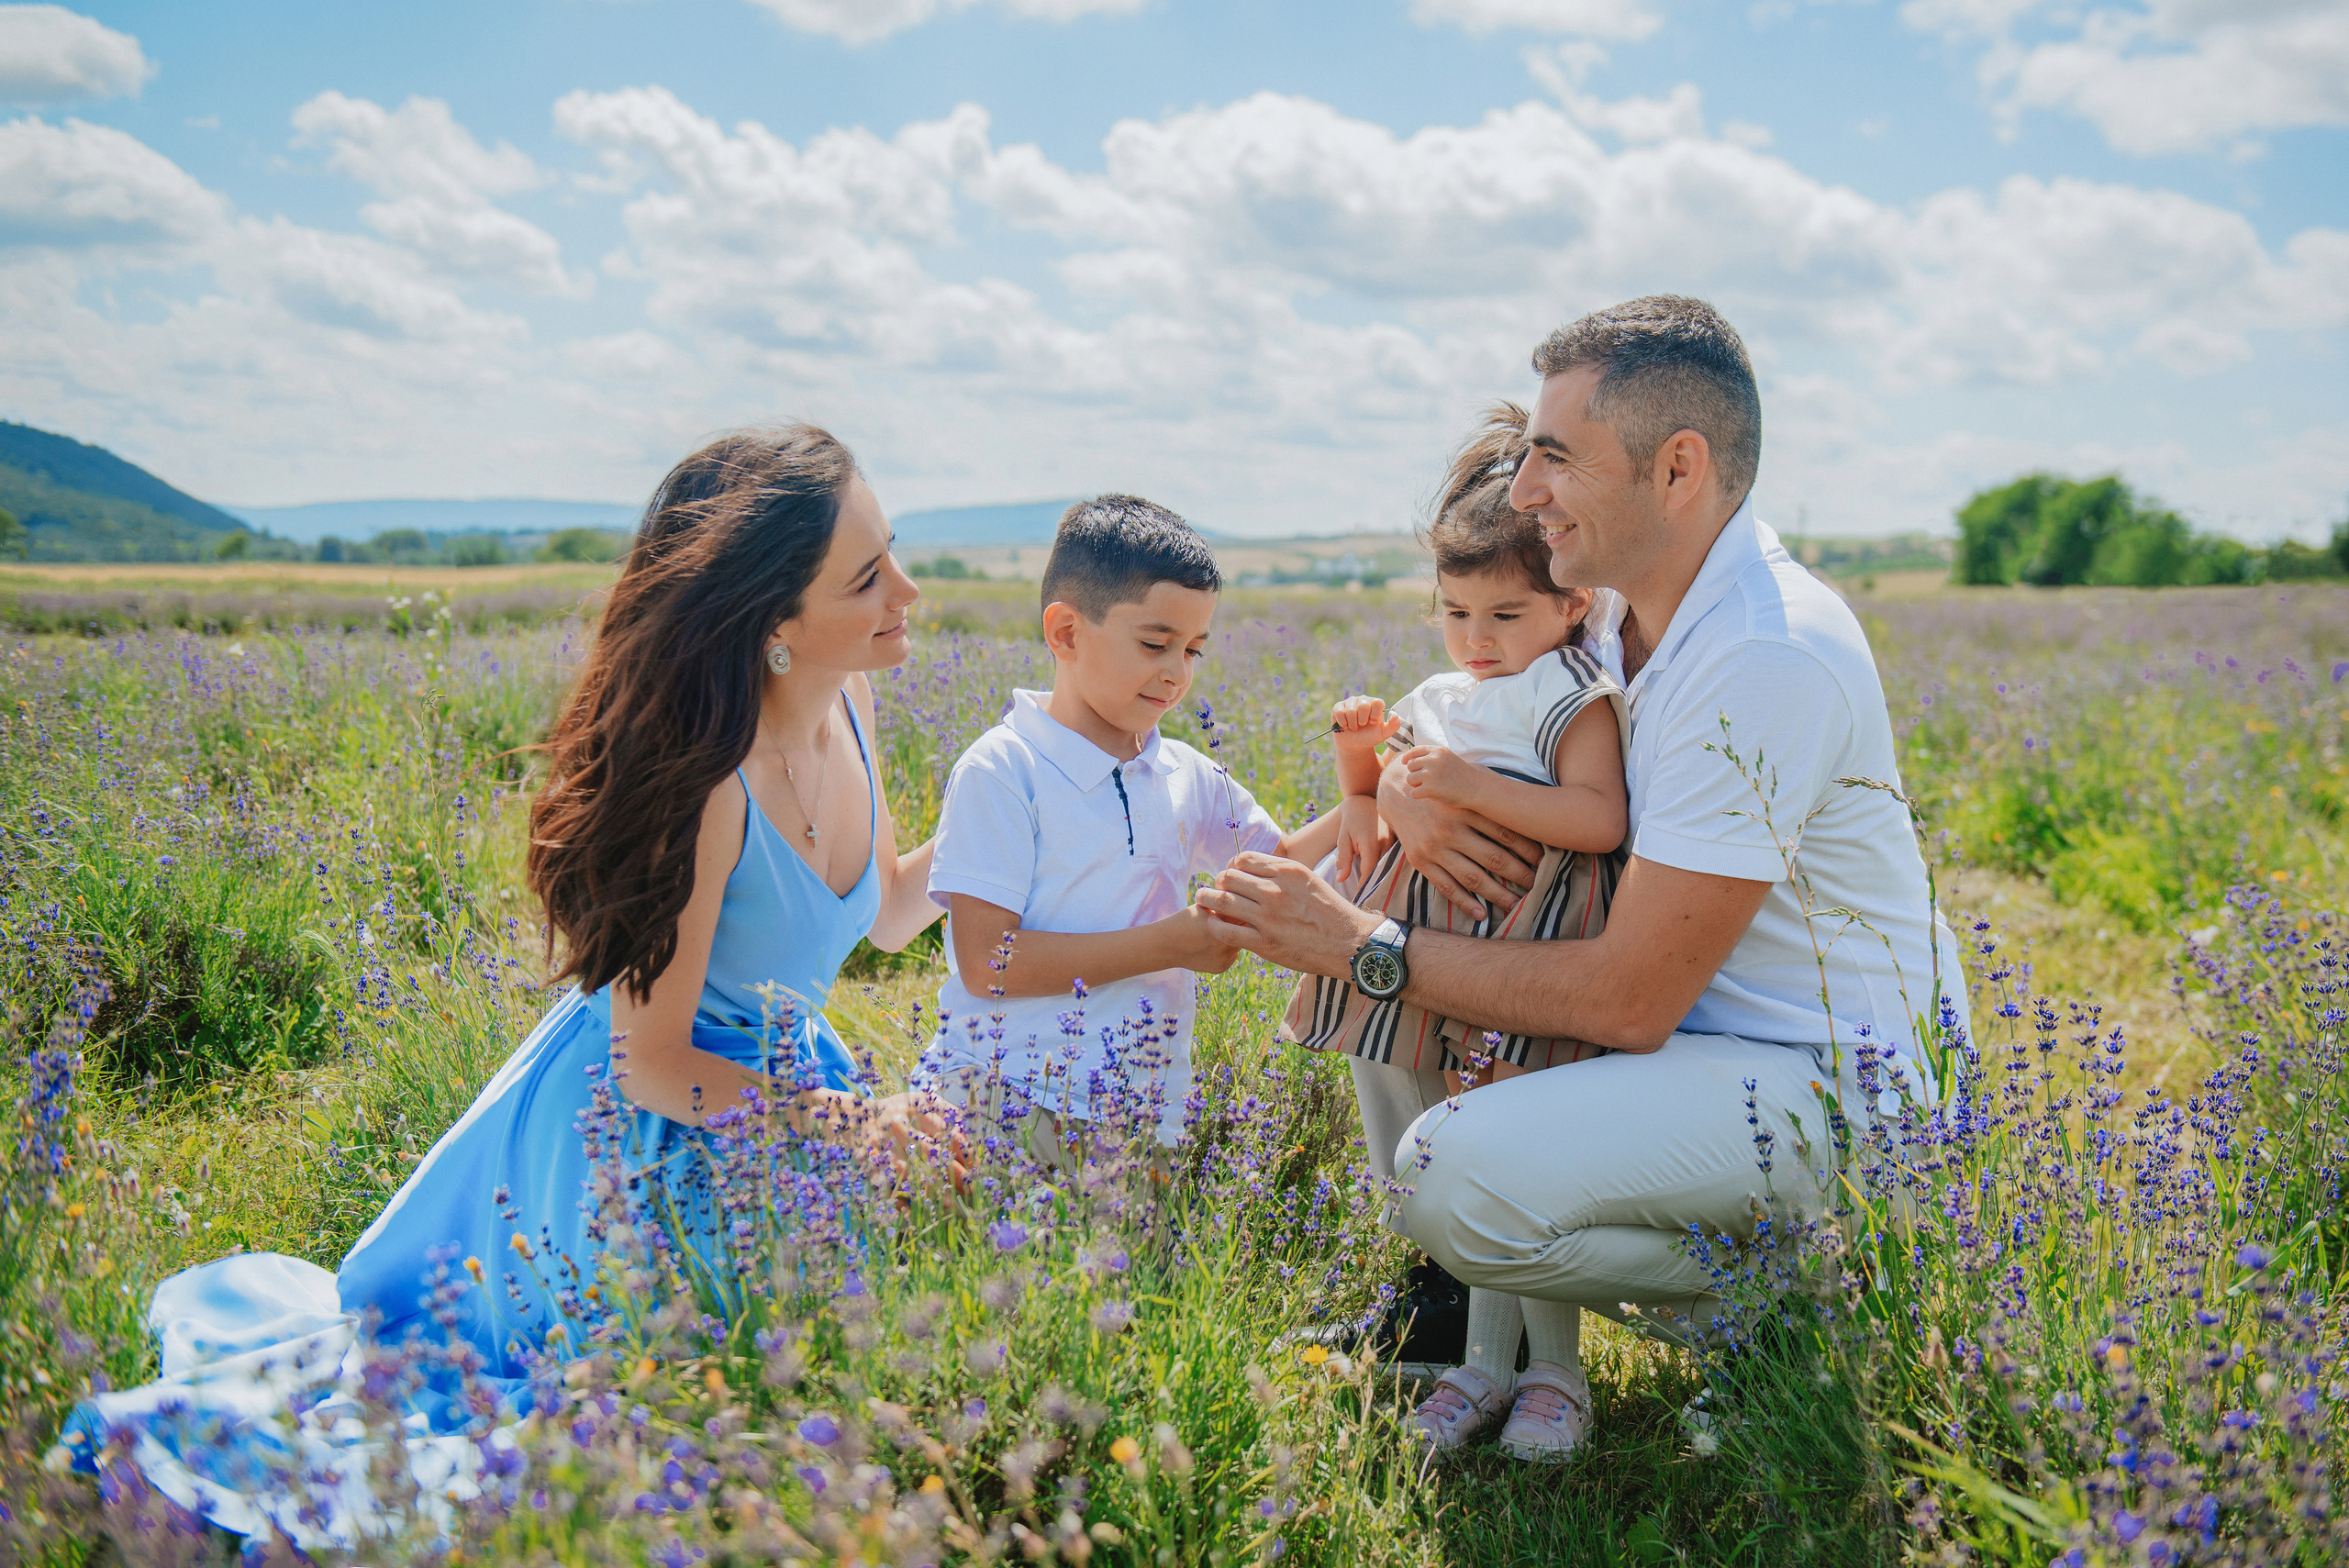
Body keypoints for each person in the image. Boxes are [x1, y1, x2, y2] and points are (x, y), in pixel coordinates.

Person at [71, 424, 956, 1539]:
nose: (908, 591)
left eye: (893, 552)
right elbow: (651, 1060)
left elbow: (881, 911)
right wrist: (848, 1122)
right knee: (643, 1418)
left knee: (789, 1385)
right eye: (867, 577)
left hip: (779, 1096)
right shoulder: (706, 786)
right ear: (772, 618)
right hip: (652, 1128)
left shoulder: (850, 699)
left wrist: (1012, 834)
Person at [1200, 295, 1970, 1462]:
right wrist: (1402, 787)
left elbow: (1626, 998)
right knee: (1415, 1019)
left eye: (1556, 457)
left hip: (1820, 1085)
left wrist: (1362, 944)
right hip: (1700, 1055)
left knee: (1450, 1168)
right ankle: (1469, 1307)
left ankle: (1795, 1301)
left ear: (1677, 469)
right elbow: (1481, 706)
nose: (1524, 490)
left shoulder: (1764, 651)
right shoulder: (1617, 609)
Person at [1283, 403, 1631, 1462]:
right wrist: (1360, 763)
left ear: (1572, 603)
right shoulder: (1444, 691)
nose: (1478, 639)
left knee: (1518, 1152)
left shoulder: (1572, 692)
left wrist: (1471, 786)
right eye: (1455, 612)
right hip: (1425, 946)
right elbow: (1370, 798)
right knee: (1449, 1151)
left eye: (1505, 615)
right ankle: (1477, 1361)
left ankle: (1553, 1372)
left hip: (1528, 943)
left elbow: (1598, 818)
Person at [912, 495, 1336, 1156]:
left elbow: (1278, 863)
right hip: (1002, 1099)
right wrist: (1170, 944)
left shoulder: (1184, 771)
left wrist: (1366, 790)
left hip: (1141, 1119)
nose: (1177, 672)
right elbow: (987, 962)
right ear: (1066, 633)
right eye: (1155, 645)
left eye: (1193, 650)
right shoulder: (1005, 769)